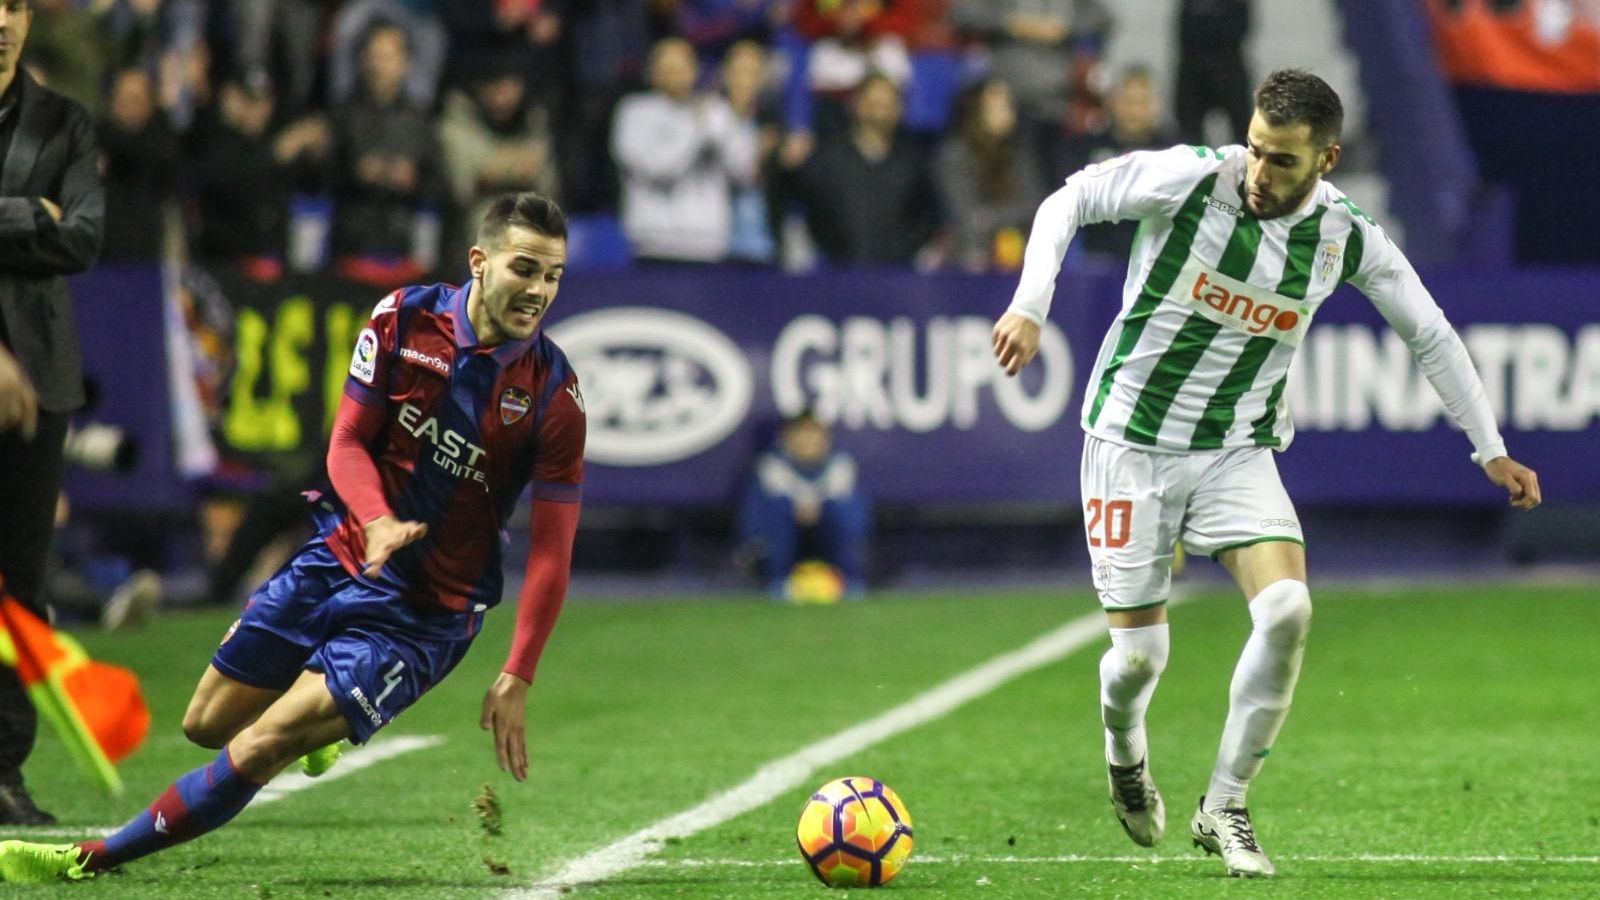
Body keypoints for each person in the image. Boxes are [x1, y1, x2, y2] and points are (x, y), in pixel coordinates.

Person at [990, 69, 1541, 878]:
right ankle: (1123, 748)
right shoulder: (1191, 179)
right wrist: (1031, 304)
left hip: (1234, 450)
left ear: (1326, 160)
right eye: (1254, 150)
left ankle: (1227, 804)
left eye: (1281, 161)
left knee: (1287, 609)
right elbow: (1064, 201)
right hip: (1128, 443)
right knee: (1139, 662)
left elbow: (1430, 332)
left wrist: (1486, 445)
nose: (1258, 173)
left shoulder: (1346, 237)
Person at [0, 192, 587, 883]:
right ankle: (323, 734)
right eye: (526, 269)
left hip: (424, 615)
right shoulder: (403, 319)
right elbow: (346, 443)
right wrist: (375, 522)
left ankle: (93, 857)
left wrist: (518, 670)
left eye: (553, 276)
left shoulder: (551, 395)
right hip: (339, 556)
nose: (539, 291)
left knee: (263, 741)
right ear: (479, 261)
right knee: (205, 723)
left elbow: (552, 548)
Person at [0, 0, 106, 827]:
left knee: (20, 586)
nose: (0, 21)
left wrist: (53, 223)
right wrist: (26, 215)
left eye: (12, 5)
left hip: (39, 381)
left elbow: (83, 238)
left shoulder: (64, 121)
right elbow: (52, 231)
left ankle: (3, 772)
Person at [611, 37, 758, 263]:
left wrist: (726, 129)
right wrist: (697, 131)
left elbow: (746, 171)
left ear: (695, 70)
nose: (675, 74)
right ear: (653, 72)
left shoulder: (715, 110)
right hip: (654, 242)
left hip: (709, 243)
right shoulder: (635, 111)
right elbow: (659, 169)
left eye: (682, 67)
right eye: (667, 68)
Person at [736, 411, 871, 598]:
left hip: (826, 540)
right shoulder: (771, 466)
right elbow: (753, 518)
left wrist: (821, 509)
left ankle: (849, 580)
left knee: (840, 511)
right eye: (802, 436)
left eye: (814, 436)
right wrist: (794, 509)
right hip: (780, 545)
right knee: (779, 509)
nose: (808, 442)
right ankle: (778, 581)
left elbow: (858, 519)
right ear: (787, 438)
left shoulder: (841, 465)